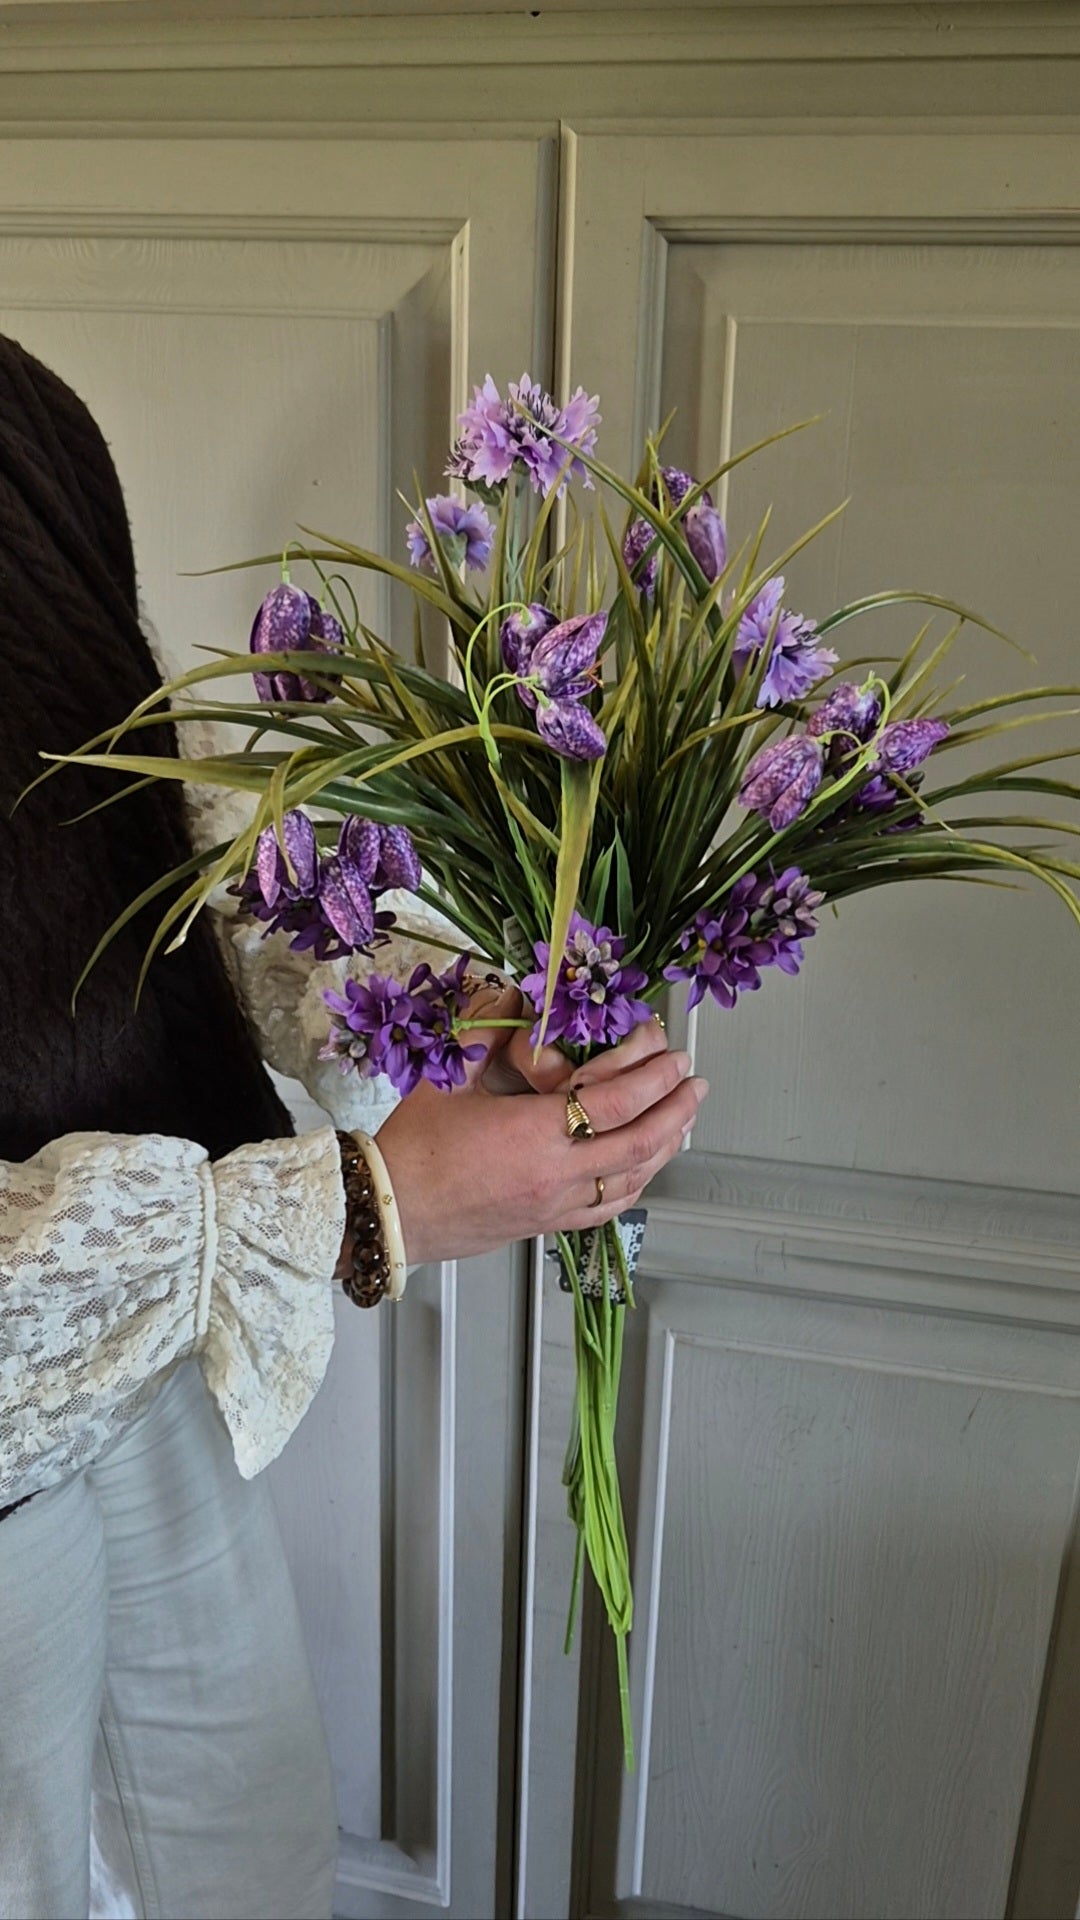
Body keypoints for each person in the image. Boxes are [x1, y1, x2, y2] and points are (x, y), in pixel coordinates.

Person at [0, 336, 708, 1920]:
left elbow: (131, 848)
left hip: (137, 1383)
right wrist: (358, 1205)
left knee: (246, 1852)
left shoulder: (21, 416)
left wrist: (414, 995)